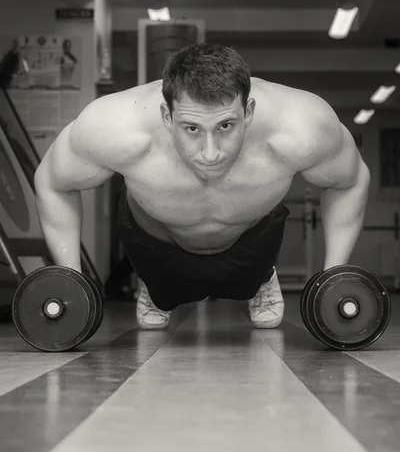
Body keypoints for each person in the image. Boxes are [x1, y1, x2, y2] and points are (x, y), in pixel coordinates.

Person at [34, 43, 370, 330]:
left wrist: (334, 275)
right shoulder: (116, 127)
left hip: (251, 237)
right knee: (165, 288)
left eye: (226, 125)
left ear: (248, 111)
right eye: (192, 128)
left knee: (249, 279)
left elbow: (350, 181)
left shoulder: (300, 127)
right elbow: (52, 182)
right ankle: (152, 288)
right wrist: (69, 278)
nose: (211, 153)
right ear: (167, 116)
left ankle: (263, 278)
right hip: (155, 239)